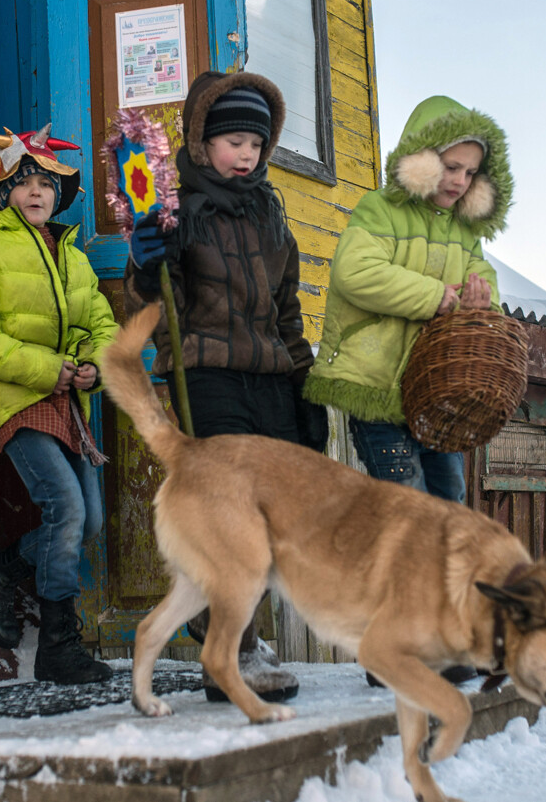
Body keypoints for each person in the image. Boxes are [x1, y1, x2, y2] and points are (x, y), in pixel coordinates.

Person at [124, 70, 326, 703]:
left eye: (256, 145)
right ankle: (234, 651)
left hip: (268, 377)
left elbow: (286, 310)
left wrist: (304, 382)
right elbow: (158, 303)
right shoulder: (177, 210)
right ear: (202, 140)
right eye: (234, 140)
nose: (246, 155)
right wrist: (148, 261)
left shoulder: (271, 215)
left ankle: (239, 635)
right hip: (204, 375)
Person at [302, 94, 514, 684]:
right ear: (422, 158)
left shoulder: (465, 232)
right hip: (376, 388)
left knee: (449, 506)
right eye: (451, 167)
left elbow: (484, 283)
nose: (459, 180)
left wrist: (478, 297)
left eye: (470, 173)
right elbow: (355, 274)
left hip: (434, 396)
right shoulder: (379, 211)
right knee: (408, 516)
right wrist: (439, 297)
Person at [0, 124, 118, 685]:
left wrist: (93, 365)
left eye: (45, 181)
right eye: (23, 182)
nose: (36, 190)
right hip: (16, 397)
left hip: (68, 400)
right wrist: (48, 369)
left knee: (87, 521)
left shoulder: (74, 258)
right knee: (65, 507)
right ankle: (59, 646)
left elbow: (102, 325)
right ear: (2, 194)